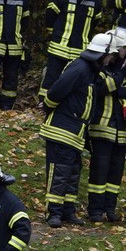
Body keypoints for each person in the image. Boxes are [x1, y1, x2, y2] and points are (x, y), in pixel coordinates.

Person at [40, 32, 118, 227]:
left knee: (73, 172)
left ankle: (68, 211)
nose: (110, 60)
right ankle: (54, 213)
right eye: (110, 56)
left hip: (76, 132)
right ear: (102, 53)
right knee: (59, 172)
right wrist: (48, 107)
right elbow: (55, 92)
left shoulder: (92, 70)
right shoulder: (79, 68)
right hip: (62, 130)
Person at [87, 28, 126, 222]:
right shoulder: (102, 69)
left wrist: (121, 91)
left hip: (122, 131)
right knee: (98, 174)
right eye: (124, 48)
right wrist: (121, 78)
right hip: (102, 130)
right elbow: (101, 89)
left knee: (116, 174)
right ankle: (95, 211)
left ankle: (110, 209)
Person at [39, 0, 103, 103]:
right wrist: (54, 31)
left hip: (79, 49)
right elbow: (50, 13)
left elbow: (95, 21)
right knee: (52, 76)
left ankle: (65, 105)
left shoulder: (94, 0)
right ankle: (42, 103)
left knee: (73, 79)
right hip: (59, 45)